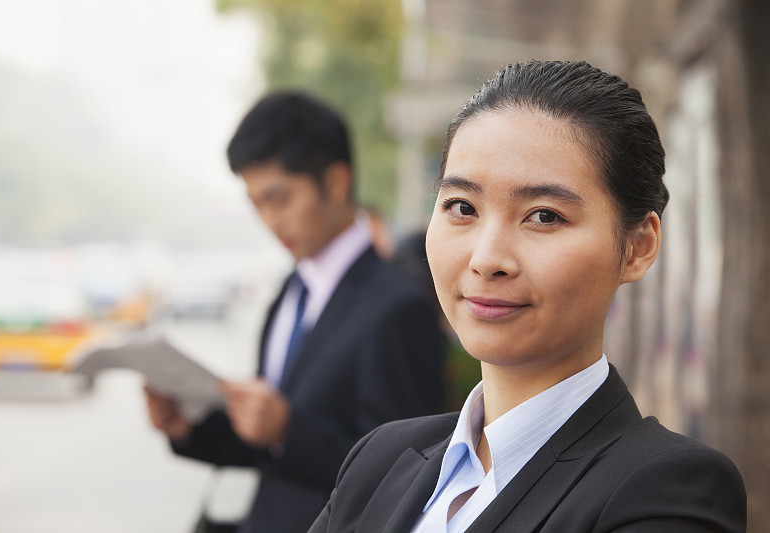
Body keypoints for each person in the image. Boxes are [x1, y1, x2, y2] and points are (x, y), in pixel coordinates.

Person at [309, 60, 747, 532]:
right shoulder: (379, 461)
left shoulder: (667, 490)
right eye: (462, 207)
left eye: (544, 216)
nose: (487, 258)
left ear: (637, 247)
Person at [145, 91, 445, 533]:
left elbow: (405, 473)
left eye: (279, 198)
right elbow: (266, 449)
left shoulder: (398, 306)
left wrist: (288, 429)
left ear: (337, 182)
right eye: (256, 204)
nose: (269, 220)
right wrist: (187, 427)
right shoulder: (291, 290)